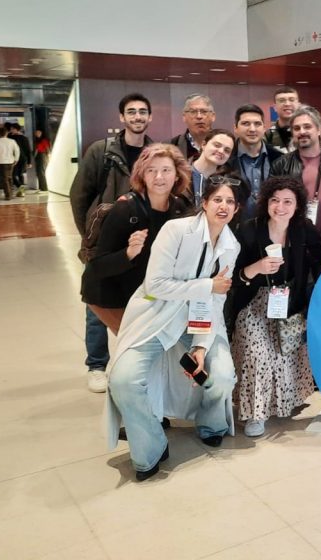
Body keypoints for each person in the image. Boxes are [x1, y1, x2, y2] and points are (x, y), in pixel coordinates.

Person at [106, 177, 242, 481]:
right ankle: (151, 446)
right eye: (217, 199)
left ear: (237, 208)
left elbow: (215, 301)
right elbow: (155, 284)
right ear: (204, 203)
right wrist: (208, 284)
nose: (223, 206)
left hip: (198, 322)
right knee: (123, 379)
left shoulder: (232, 246)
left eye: (230, 201)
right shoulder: (176, 231)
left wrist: (201, 345)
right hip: (156, 317)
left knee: (220, 377)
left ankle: (211, 424)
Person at [230, 175, 321, 437]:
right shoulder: (248, 230)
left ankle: (279, 402)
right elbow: (233, 278)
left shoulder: (303, 228)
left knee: (283, 353)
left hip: (288, 303)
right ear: (266, 202)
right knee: (257, 355)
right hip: (252, 305)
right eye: (275, 200)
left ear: (297, 204)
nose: (280, 207)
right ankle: (255, 413)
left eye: (288, 201)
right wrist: (256, 268)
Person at [71, 93, 154, 392]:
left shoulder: (154, 153)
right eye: (131, 112)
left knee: (134, 301)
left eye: (143, 112)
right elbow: (79, 196)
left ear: (150, 117)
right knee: (97, 300)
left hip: (138, 241)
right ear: (121, 117)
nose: (137, 117)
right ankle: (96, 364)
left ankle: (132, 358)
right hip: (104, 240)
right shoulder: (102, 151)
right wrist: (90, 237)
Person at [81, 144, 194, 334]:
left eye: (166, 170)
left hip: (146, 291)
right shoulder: (126, 209)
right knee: (135, 343)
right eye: (151, 170)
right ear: (142, 175)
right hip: (110, 292)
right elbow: (98, 265)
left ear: (177, 175)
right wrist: (128, 253)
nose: (159, 177)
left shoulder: (179, 207)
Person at [270, 106, 321, 245]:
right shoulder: (280, 165)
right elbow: (272, 206)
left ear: (319, 129)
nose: (302, 132)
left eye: (307, 127)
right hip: (293, 243)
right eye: (296, 128)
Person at [226, 104, 282, 219]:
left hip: (271, 226)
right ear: (235, 128)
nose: (252, 129)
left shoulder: (280, 158)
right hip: (234, 227)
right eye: (245, 123)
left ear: (264, 128)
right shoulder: (225, 159)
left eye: (257, 124)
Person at [189, 129, 236, 206]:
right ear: (203, 144)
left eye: (227, 150)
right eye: (217, 145)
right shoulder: (181, 175)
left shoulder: (228, 181)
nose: (221, 151)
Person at [170, 94, 216, 163]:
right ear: (184, 117)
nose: (199, 116)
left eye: (204, 112)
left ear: (213, 117)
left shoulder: (225, 145)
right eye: (193, 112)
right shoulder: (171, 146)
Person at [265, 86, 299, 155]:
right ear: (275, 107)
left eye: (291, 100)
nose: (287, 104)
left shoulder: (308, 132)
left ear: (298, 104)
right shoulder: (267, 136)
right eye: (282, 100)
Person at [0, 126, 20, 200]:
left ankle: (8, 195)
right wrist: (16, 159)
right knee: (10, 178)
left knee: (5, 179)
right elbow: (17, 150)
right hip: (11, 161)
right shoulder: (12, 141)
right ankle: (10, 193)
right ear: (6, 133)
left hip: (1, 161)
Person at [7, 123, 32, 197]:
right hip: (13, 159)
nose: (11, 130)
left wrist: (29, 162)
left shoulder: (23, 138)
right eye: (11, 129)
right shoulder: (9, 137)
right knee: (13, 175)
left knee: (20, 174)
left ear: (16, 129)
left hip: (22, 159)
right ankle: (21, 187)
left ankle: (21, 190)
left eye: (12, 129)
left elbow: (28, 150)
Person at [33, 128, 51, 193]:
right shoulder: (37, 140)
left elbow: (47, 148)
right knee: (39, 172)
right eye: (36, 133)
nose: (37, 134)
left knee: (41, 171)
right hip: (39, 156)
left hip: (43, 156)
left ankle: (44, 187)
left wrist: (49, 156)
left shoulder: (43, 140)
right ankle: (41, 187)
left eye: (38, 132)